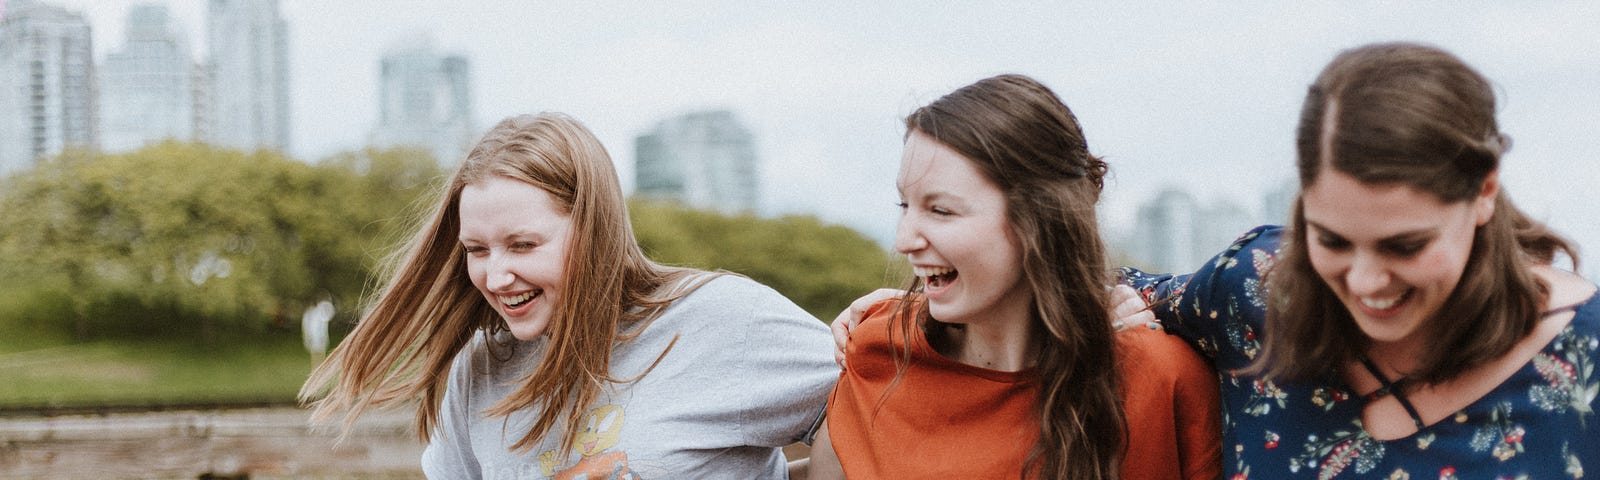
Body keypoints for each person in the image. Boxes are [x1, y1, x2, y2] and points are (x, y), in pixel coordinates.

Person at [1113, 42, 1599, 478]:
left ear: (1484, 192)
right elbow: (1108, 289)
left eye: (1404, 246)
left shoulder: (1586, 356)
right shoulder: (1255, 287)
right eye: (1332, 241)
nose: (1366, 282)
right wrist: (1119, 314)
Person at [299, 113, 838, 479]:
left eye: (523, 244)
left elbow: (889, 415)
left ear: (594, 230)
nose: (497, 275)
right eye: (477, 249)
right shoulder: (477, 370)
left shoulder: (725, 321)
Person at [806, 74, 1221, 480]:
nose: (903, 240)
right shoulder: (876, 348)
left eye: (941, 210)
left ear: (1039, 221)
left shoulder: (1165, 380)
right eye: (905, 205)